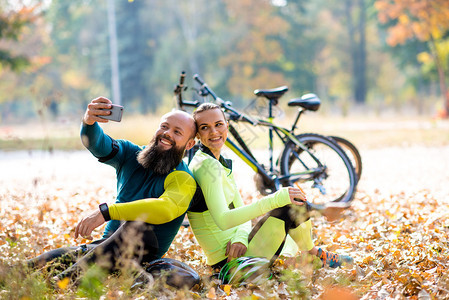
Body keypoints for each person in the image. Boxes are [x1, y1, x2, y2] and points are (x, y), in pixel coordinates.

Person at [28, 97, 198, 283]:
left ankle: (62, 282)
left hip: (139, 259)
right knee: (32, 266)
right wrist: (89, 122)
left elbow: (165, 209)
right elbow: (99, 145)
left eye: (177, 132)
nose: (167, 134)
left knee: (137, 227)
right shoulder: (130, 154)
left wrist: (107, 212)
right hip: (101, 249)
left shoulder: (184, 179)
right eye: (164, 126)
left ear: (189, 144)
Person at [186, 103, 353, 275]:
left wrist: (241, 238)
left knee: (294, 212)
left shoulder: (217, 161)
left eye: (218, 124)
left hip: (241, 248)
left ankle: (310, 255)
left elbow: (240, 210)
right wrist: (275, 199)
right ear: (198, 134)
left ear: (227, 126)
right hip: (228, 263)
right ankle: (314, 254)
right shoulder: (206, 166)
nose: (214, 132)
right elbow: (223, 221)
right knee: (292, 205)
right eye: (205, 128)